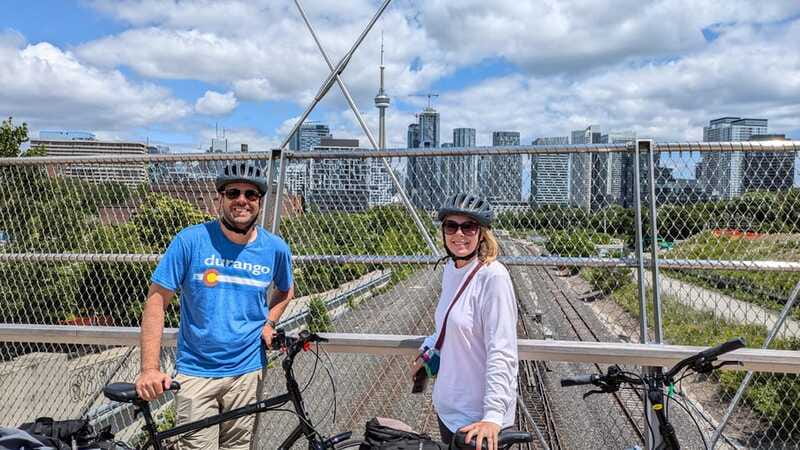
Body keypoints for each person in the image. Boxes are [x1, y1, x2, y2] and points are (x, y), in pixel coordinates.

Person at [134, 162, 294, 450]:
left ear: (260, 202)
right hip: (196, 371)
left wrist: (269, 322)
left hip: (247, 372)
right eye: (233, 193)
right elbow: (157, 301)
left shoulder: (275, 248)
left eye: (251, 194)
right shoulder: (190, 241)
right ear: (219, 198)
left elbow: (285, 290)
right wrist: (149, 368)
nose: (242, 200)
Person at [412, 192, 518, 450]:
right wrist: (426, 349)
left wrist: (493, 417)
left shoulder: (493, 277)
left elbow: (502, 351)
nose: (459, 234)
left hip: (478, 422)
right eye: (451, 225)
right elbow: (448, 325)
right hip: (448, 413)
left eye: (468, 226)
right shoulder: (451, 269)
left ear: (481, 233)